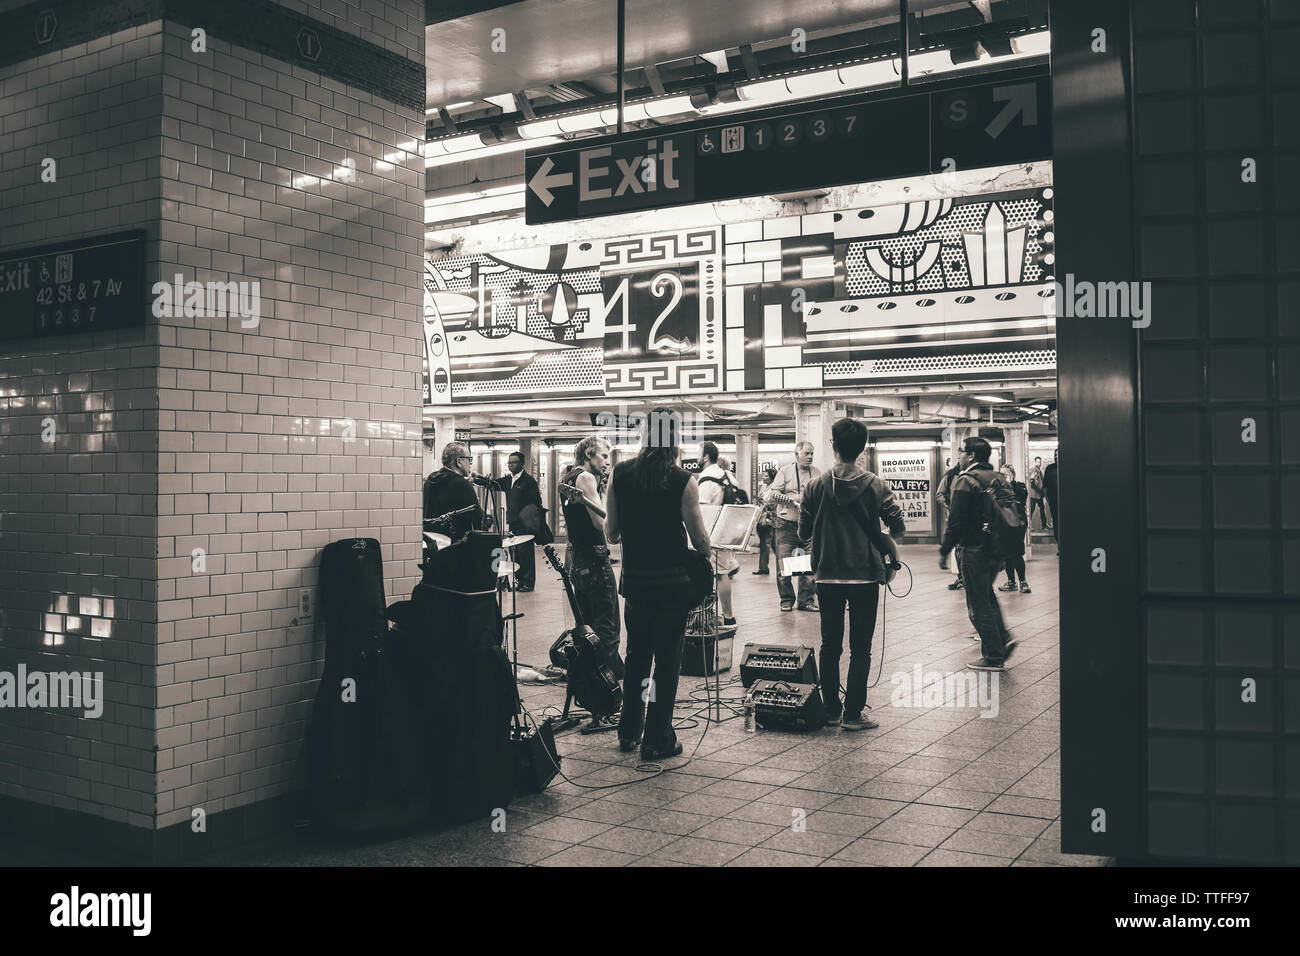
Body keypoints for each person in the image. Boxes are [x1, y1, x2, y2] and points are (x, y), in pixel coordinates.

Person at [605, 407, 712, 761]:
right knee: (667, 662)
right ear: (675, 438)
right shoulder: (683, 480)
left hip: (636, 584)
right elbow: (700, 541)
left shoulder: (620, 474)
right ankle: (657, 738)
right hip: (672, 585)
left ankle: (629, 731)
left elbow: (611, 532)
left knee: (636, 657)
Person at [799, 418, 904, 730]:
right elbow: (897, 526)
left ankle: (831, 709)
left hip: (826, 575)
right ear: (862, 447)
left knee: (829, 645)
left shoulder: (815, 485)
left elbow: (804, 531)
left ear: (833, 445)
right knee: (861, 647)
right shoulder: (876, 484)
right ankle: (854, 715)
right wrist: (883, 545)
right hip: (865, 577)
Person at [557, 437, 622, 731]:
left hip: (579, 561)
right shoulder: (585, 478)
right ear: (589, 454)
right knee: (607, 629)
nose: (607, 462)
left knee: (587, 632)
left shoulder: (567, 477)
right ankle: (606, 698)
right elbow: (603, 525)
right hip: (596, 561)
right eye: (604, 456)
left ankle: (588, 690)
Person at [939, 436, 1018, 671]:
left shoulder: (966, 480)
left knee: (977, 603)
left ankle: (993, 657)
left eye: (961, 452)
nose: (959, 456)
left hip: (974, 548)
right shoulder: (999, 478)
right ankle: (1003, 638)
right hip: (997, 548)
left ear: (971, 456)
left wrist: (944, 550)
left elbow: (956, 520)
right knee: (987, 596)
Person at [770, 441, 820, 612]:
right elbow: (773, 494)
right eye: (806, 453)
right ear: (796, 454)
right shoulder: (785, 471)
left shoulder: (817, 473)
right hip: (785, 525)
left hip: (809, 525)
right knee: (784, 564)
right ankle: (786, 599)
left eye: (812, 453)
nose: (810, 457)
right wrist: (795, 499)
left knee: (808, 564)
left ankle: (806, 600)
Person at [696, 443, 739, 630]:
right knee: (723, 573)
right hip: (727, 531)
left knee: (719, 575)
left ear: (705, 456)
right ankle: (723, 616)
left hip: (712, 533)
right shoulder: (729, 476)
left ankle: (728, 618)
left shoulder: (706, 479)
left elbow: (701, 510)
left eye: (698, 454)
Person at [500, 451, 541, 591]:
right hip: (513, 523)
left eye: (514, 462)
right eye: (509, 462)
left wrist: (528, 518)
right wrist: (476, 478)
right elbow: (493, 483)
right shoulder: (507, 480)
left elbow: (536, 502)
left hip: (525, 524)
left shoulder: (528, 481)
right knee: (515, 553)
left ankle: (528, 583)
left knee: (526, 554)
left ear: (522, 464)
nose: (510, 465)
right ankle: (519, 580)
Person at [423, 441, 482, 535]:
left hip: (431, 540)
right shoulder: (462, 484)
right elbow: (478, 519)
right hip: (455, 544)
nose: (470, 463)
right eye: (469, 459)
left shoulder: (429, 481)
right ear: (459, 462)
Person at [997, 464, 1031, 594]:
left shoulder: (1019, 486)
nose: (1002, 477)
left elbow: (1021, 498)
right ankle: (1011, 581)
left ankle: (1023, 582)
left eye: (1005, 474)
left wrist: (1009, 484)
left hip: (1018, 522)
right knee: (1007, 553)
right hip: (1004, 523)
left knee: (1016, 552)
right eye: (1001, 474)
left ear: (1011, 475)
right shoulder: (997, 489)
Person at [936, 457, 963, 590]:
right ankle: (962, 578)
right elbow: (939, 494)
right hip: (957, 518)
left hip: (976, 521)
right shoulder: (951, 475)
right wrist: (949, 507)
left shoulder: (976, 475)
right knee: (958, 549)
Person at [753, 467, 777, 575]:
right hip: (764, 517)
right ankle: (784, 565)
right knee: (773, 544)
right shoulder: (764, 487)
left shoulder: (774, 488)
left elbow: (773, 503)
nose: (764, 477)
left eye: (766, 475)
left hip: (769, 518)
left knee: (765, 543)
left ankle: (763, 568)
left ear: (772, 478)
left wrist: (765, 503)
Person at [1043, 448, 1059, 554]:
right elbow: (1045, 487)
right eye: (1055, 454)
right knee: (1057, 525)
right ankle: (1060, 546)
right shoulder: (1049, 469)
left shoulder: (1069, 466)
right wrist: (1048, 500)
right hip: (1054, 502)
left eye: (1058, 454)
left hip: (1068, 503)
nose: (1056, 456)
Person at [1028, 457, 1048, 530]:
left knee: (1042, 509)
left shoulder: (1040, 470)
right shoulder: (1033, 469)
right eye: (1037, 462)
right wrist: (1033, 478)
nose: (1038, 463)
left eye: (1039, 462)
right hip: (1034, 494)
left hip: (1039, 494)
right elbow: (1032, 480)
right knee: (1031, 510)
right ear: (1035, 462)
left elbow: (1042, 481)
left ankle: (1044, 525)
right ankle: (1029, 526)